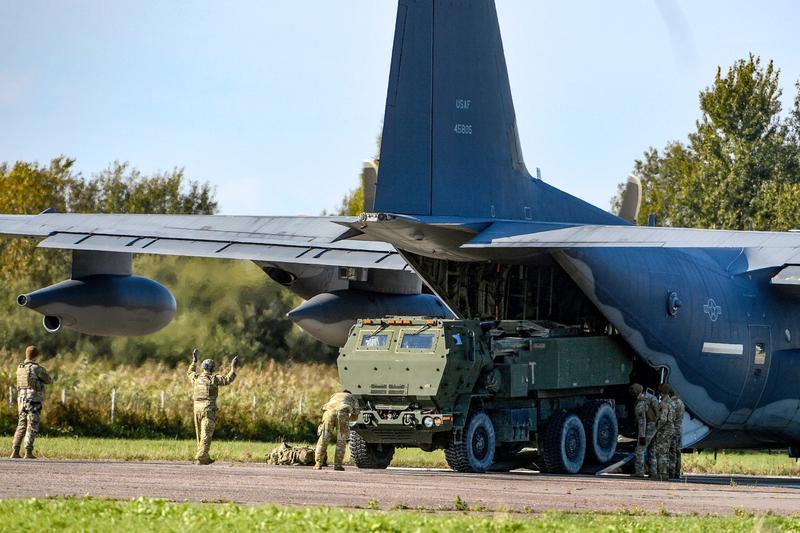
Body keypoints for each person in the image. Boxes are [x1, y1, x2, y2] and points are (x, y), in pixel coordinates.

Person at [188, 348, 238, 465]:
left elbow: (189, 373)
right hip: (208, 409)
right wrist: (233, 367)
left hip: (196, 409)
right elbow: (227, 379)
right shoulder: (213, 379)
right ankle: (202, 455)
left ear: (203, 368)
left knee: (199, 433)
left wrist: (194, 361)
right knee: (206, 433)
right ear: (212, 369)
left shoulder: (196, 378)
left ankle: (202, 457)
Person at [11, 345, 52, 459]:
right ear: (36, 356)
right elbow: (48, 380)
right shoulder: (35, 368)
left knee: (21, 424)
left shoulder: (20, 367)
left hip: (21, 400)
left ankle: (15, 450)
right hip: (33, 400)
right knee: (32, 425)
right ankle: (28, 452)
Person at [314, 390, 359, 471]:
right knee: (341, 440)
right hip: (342, 413)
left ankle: (318, 464)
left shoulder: (334, 395)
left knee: (323, 438)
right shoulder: (352, 397)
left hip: (328, 413)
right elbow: (356, 413)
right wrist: (350, 419)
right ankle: (337, 465)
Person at [629, 383, 657, 478]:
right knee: (651, 449)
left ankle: (640, 472)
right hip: (655, 426)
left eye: (632, 392)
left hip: (648, 427)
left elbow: (642, 421)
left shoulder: (640, 404)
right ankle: (653, 472)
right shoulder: (650, 398)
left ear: (635, 393)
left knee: (639, 450)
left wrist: (642, 436)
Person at [655, 383, 676, 481]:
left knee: (661, 452)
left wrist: (657, 428)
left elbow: (663, 419)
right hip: (671, 428)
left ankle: (662, 474)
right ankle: (667, 473)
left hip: (664, 430)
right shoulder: (672, 402)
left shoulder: (664, 403)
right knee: (666, 452)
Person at [670, 388, 685, 479]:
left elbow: (671, 417)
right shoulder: (681, 402)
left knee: (672, 451)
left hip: (674, 429)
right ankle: (677, 472)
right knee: (678, 452)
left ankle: (671, 472)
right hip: (679, 428)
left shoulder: (673, 403)